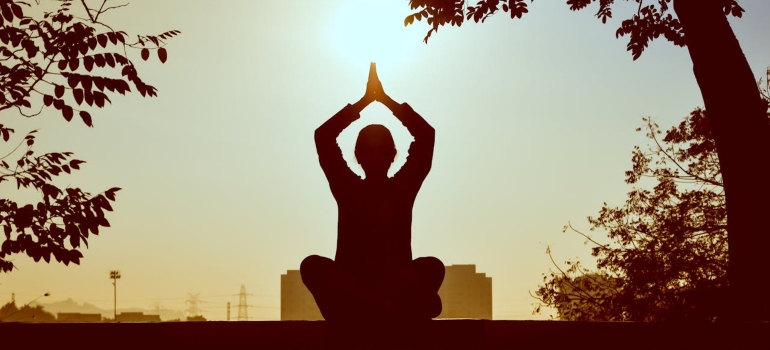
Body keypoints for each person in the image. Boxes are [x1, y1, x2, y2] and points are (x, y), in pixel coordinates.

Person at [301, 63, 444, 321]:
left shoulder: (401, 187)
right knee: (311, 266)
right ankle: (379, 305)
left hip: (378, 294)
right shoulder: (349, 187)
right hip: (359, 292)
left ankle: (374, 304)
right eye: (370, 151)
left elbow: (426, 135)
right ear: (358, 156)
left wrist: (382, 101)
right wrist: (369, 102)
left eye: (381, 151)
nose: (376, 157)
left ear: (392, 155)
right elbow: (323, 137)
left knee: (433, 267)